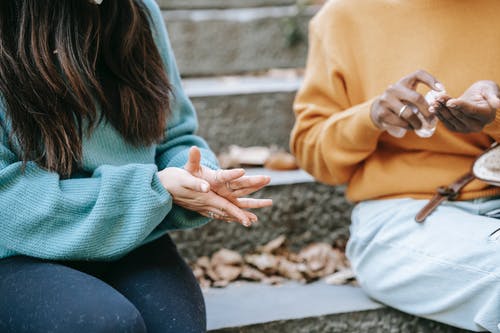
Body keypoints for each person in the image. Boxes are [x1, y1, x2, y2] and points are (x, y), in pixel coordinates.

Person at [0, 0, 272, 332]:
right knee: (104, 325)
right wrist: (151, 191)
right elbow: (7, 200)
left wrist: (195, 177)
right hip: (17, 248)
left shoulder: (138, 10)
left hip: (131, 237)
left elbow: (173, 136)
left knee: (174, 326)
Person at [291, 0, 500, 332]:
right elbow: (312, 153)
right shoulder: (344, 16)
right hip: (400, 217)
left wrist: (494, 118)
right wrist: (371, 116)